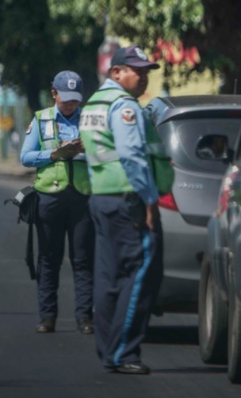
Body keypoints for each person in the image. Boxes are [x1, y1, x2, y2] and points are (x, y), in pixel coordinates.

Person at [80, 45, 174, 375]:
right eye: (138, 72)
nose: (144, 78)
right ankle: (123, 352)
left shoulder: (93, 104)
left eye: (147, 72)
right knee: (141, 274)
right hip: (129, 201)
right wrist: (150, 202)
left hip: (102, 199)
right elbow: (132, 156)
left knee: (108, 277)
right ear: (117, 72)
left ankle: (109, 349)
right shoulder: (124, 106)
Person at [20, 71, 95, 335]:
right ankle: (47, 316)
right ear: (54, 93)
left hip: (83, 197)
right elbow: (26, 157)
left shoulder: (90, 120)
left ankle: (85, 318)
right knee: (49, 259)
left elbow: (107, 154)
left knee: (84, 260)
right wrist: (53, 154)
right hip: (49, 198)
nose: (70, 105)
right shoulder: (41, 120)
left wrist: (86, 152)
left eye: (74, 100)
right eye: (65, 100)